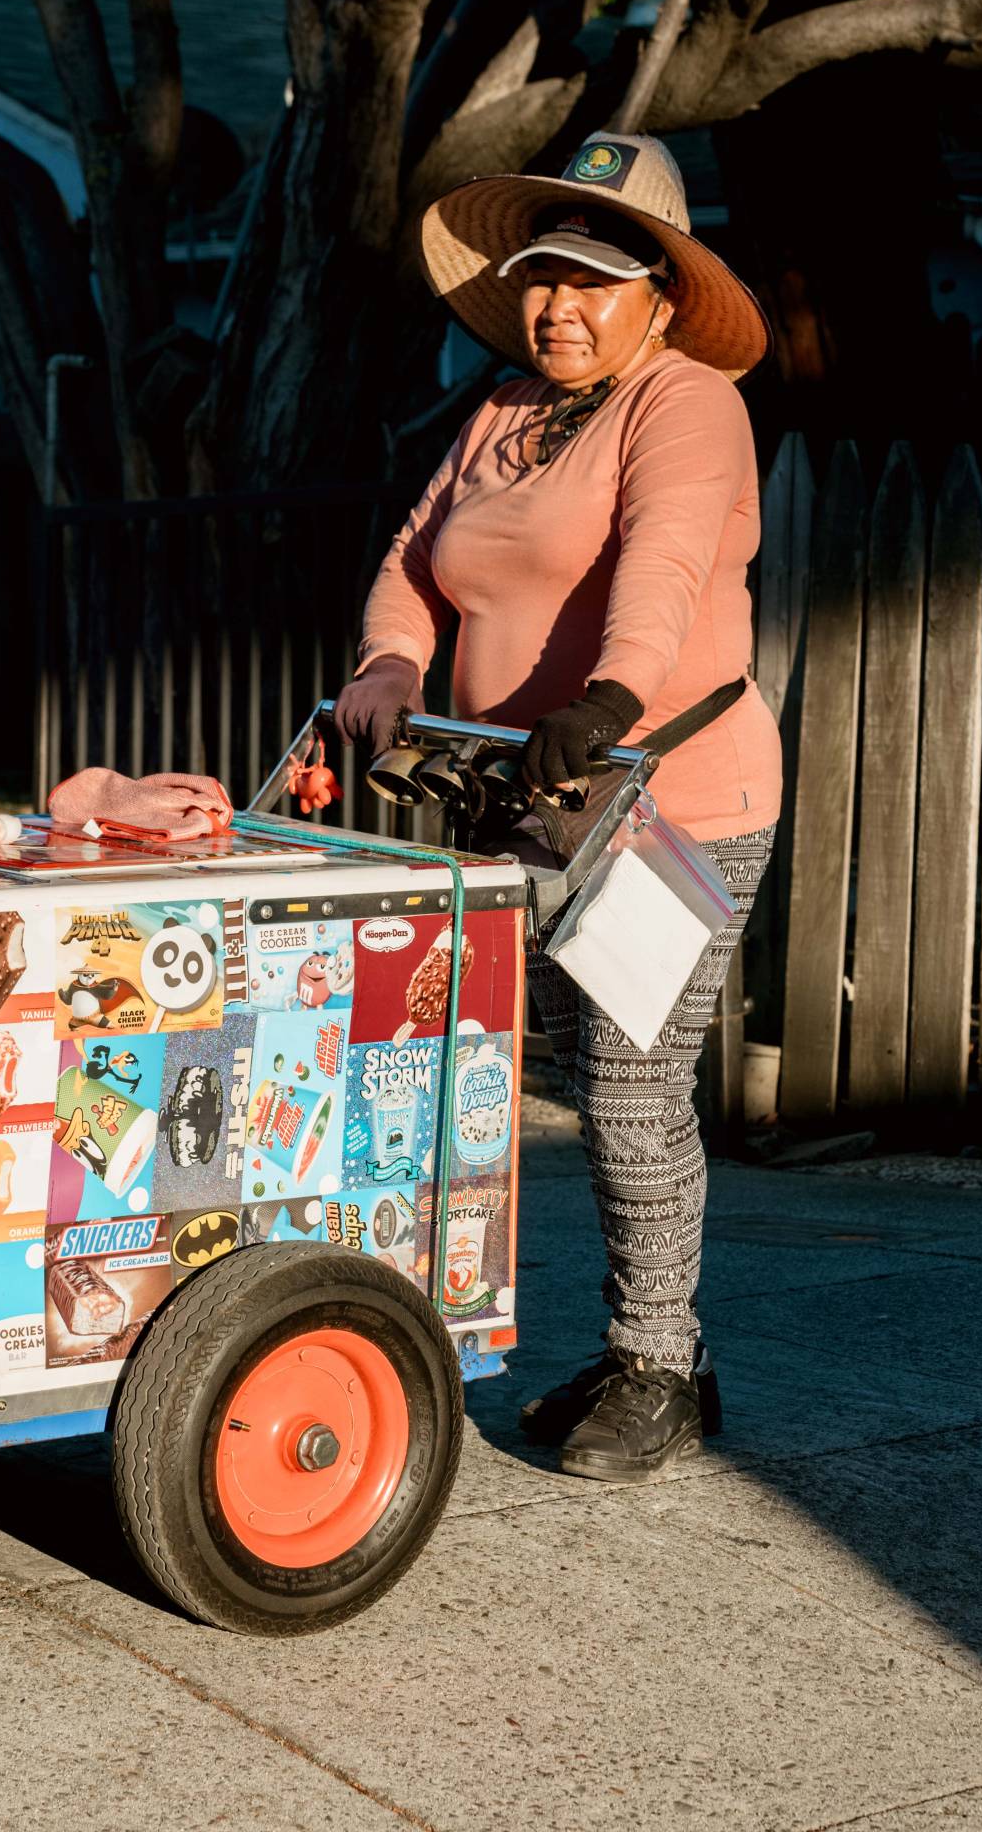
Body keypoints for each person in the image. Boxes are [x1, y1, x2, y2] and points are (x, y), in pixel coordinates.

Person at [334, 131, 779, 1485]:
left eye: (592, 280)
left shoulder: (687, 402)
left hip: (669, 799)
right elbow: (416, 560)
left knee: (634, 1087)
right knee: (502, 1075)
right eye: (541, 278)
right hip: (517, 801)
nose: (559, 306)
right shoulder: (504, 413)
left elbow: (665, 563)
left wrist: (610, 699)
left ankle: (658, 1365)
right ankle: (602, 1343)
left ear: (656, 290)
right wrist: (391, 664)